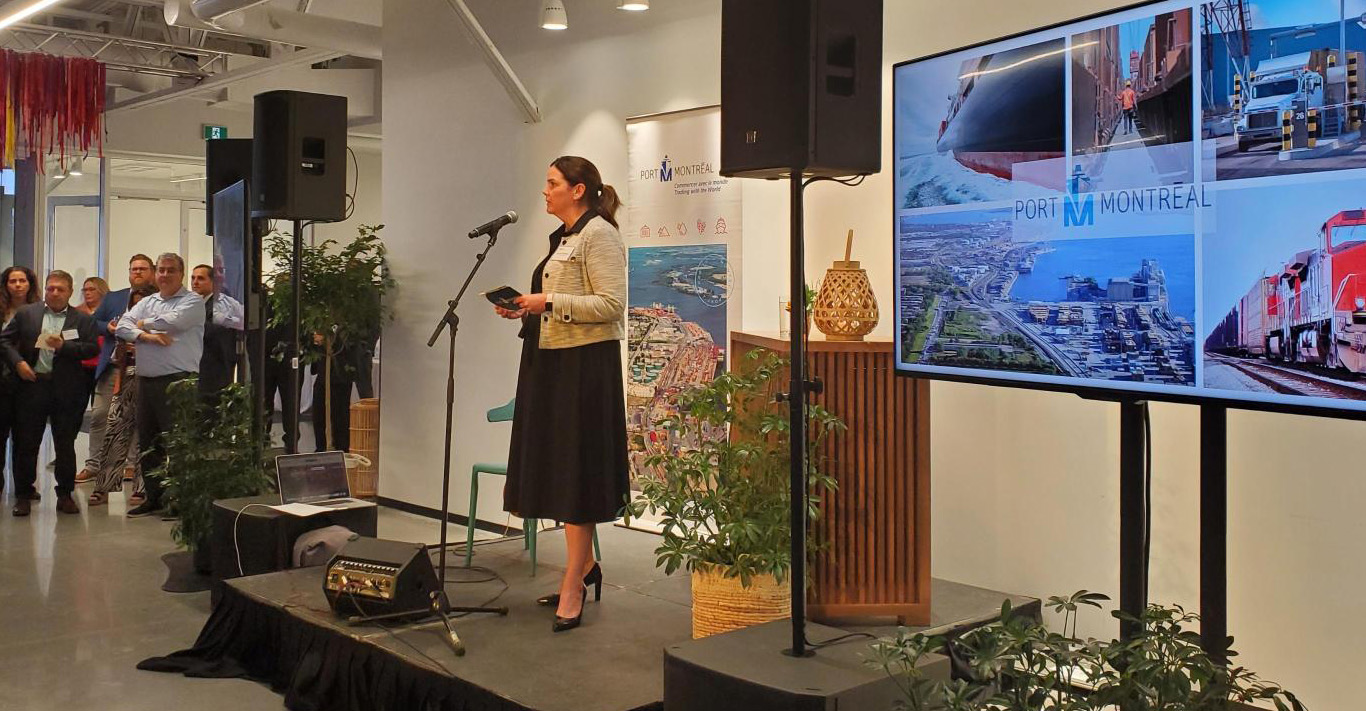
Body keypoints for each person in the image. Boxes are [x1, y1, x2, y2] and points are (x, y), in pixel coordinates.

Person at [494, 156, 629, 633]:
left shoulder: (600, 235)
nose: (544, 191)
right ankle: (585, 567)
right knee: (558, 467)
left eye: (552, 183)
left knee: (577, 472)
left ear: (578, 190)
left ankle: (574, 580)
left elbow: (612, 306)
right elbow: (560, 301)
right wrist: (526, 312)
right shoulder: (566, 238)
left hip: (583, 369)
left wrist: (546, 302)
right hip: (549, 362)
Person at [0, 271, 99, 516]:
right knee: (27, 443)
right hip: (32, 386)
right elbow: (4, 341)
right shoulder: (27, 314)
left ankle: (64, 495)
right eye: (50, 288)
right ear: (44, 289)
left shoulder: (82, 319)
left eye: (60, 289)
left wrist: (65, 346)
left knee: (65, 444)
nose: (54, 293)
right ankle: (23, 495)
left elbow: (90, 349)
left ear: (69, 292)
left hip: (66, 390)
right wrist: (18, 364)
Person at [116, 253, 204, 518]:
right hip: (147, 381)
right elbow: (122, 326)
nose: (165, 275)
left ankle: (180, 501)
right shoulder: (150, 300)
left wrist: (143, 323)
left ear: (181, 273)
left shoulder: (193, 301)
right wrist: (147, 336)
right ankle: (154, 498)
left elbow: (174, 323)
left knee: (178, 445)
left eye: (171, 271)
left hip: (178, 382)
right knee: (149, 444)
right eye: (161, 270)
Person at [79, 255, 154, 485]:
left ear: (151, 272)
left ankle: (131, 465)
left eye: (142, 269)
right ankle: (94, 464)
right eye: (134, 269)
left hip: (144, 366)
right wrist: (110, 327)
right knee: (100, 415)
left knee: (136, 418)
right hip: (113, 366)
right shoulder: (114, 297)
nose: (138, 272)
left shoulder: (158, 300)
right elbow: (94, 323)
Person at [1, 266, 40, 497]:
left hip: (28, 379)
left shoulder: (40, 310)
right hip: (2, 379)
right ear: (5, 285)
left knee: (26, 438)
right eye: (12, 281)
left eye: (22, 281)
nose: (17, 285)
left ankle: (25, 487)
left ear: (29, 284)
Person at [190, 264, 244, 400]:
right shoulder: (188, 304)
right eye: (193, 278)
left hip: (217, 364)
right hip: (194, 365)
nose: (195, 282)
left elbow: (242, 323)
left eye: (201, 278)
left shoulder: (226, 304)